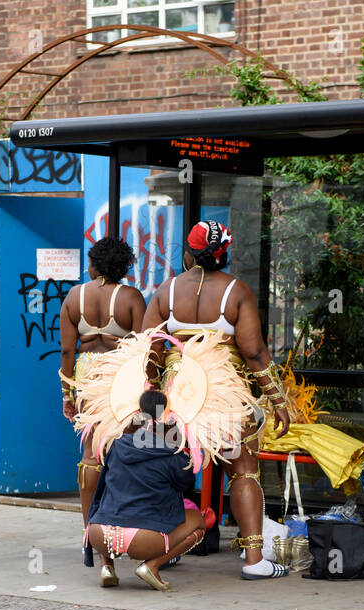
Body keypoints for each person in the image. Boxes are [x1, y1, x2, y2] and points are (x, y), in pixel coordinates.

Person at [141, 220, 292, 581]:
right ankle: (254, 559)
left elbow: (147, 349)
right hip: (226, 396)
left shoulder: (166, 291)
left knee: (168, 471)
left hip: (175, 399)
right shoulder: (236, 291)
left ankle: (166, 548)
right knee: (243, 471)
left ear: (189, 253)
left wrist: (149, 392)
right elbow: (254, 352)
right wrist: (278, 399)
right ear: (224, 255)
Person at [59, 236, 144, 525]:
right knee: (126, 446)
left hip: (87, 376)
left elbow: (67, 350)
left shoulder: (73, 297)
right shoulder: (131, 297)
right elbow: (143, 349)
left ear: (95, 264)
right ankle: (123, 523)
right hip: (120, 377)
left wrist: (67, 395)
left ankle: (89, 527)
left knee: (90, 453)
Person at [85, 390, 206, 591]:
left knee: (107, 504)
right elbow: (187, 483)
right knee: (198, 522)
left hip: (100, 535)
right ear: (169, 416)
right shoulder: (173, 455)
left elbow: (101, 490)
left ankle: (107, 566)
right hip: (141, 539)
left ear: (139, 413)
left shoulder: (116, 445)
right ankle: (151, 566)